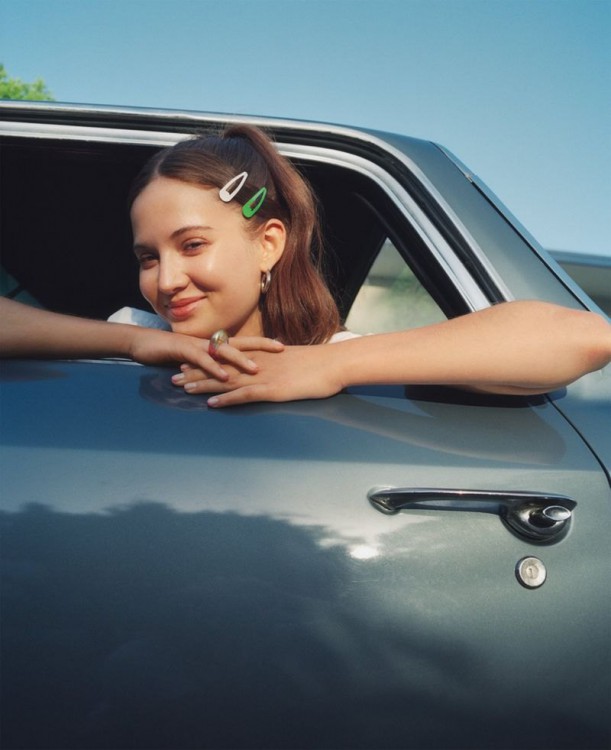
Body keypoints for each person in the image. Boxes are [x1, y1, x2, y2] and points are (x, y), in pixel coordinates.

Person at [1, 125, 610, 407]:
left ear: (268, 243)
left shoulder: (334, 359)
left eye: (192, 245)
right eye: (148, 257)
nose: (165, 280)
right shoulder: (135, 332)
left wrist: (329, 365)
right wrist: (134, 343)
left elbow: (583, 336)